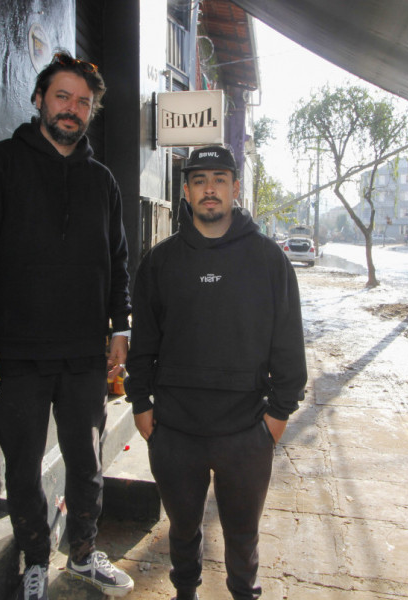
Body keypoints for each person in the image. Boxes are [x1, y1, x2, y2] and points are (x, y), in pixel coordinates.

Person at [0, 51, 134, 600]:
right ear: (38, 100)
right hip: (16, 354)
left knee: (87, 464)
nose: (72, 109)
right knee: (25, 469)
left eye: (84, 102)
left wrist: (120, 329)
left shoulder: (102, 182)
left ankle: (81, 553)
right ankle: (35, 557)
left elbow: (119, 263)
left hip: (83, 355)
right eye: (63, 96)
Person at [125, 145, 307, 600]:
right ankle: (185, 591)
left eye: (220, 179)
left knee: (242, 536)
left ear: (234, 188)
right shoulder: (161, 262)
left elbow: (288, 346)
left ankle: (244, 593)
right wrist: (141, 405)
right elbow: (143, 343)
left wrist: (276, 418)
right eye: (200, 180)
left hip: (246, 431)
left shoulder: (268, 260)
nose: (210, 189)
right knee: (183, 529)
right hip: (174, 430)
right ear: (185, 191)